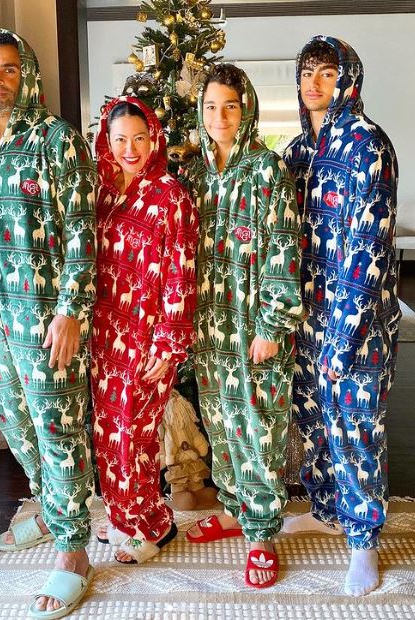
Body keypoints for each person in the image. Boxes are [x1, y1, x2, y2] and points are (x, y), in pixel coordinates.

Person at [0, 29, 97, 618]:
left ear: (28, 74)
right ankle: (50, 510)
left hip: (43, 316)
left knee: (57, 428)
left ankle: (73, 550)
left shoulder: (57, 140)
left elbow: (83, 231)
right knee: (18, 426)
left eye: (9, 69)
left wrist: (71, 310)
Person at [283, 36, 400, 597]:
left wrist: (345, 334)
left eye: (327, 73)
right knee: (315, 425)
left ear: (348, 78)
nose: (314, 82)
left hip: (355, 322)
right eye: (307, 71)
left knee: (355, 428)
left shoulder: (369, 144)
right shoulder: (295, 152)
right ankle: (328, 511)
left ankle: (363, 541)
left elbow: (369, 244)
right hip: (304, 316)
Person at [186, 64, 304, 589]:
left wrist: (272, 325)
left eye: (230, 106)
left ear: (247, 109)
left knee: (258, 429)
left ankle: (261, 534)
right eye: (211, 106)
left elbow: (283, 248)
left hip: (252, 326)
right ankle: (235, 509)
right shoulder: (196, 175)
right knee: (221, 426)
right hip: (208, 329)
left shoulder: (266, 170)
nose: (220, 116)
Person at [92, 97, 198, 563]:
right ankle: (122, 515)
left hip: (149, 336)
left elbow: (181, 272)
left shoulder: (171, 195)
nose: (130, 149)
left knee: (136, 433)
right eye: (120, 139)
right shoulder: (102, 190)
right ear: (107, 140)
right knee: (108, 432)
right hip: (103, 333)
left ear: (154, 138)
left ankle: (151, 525)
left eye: (139, 138)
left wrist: (170, 343)